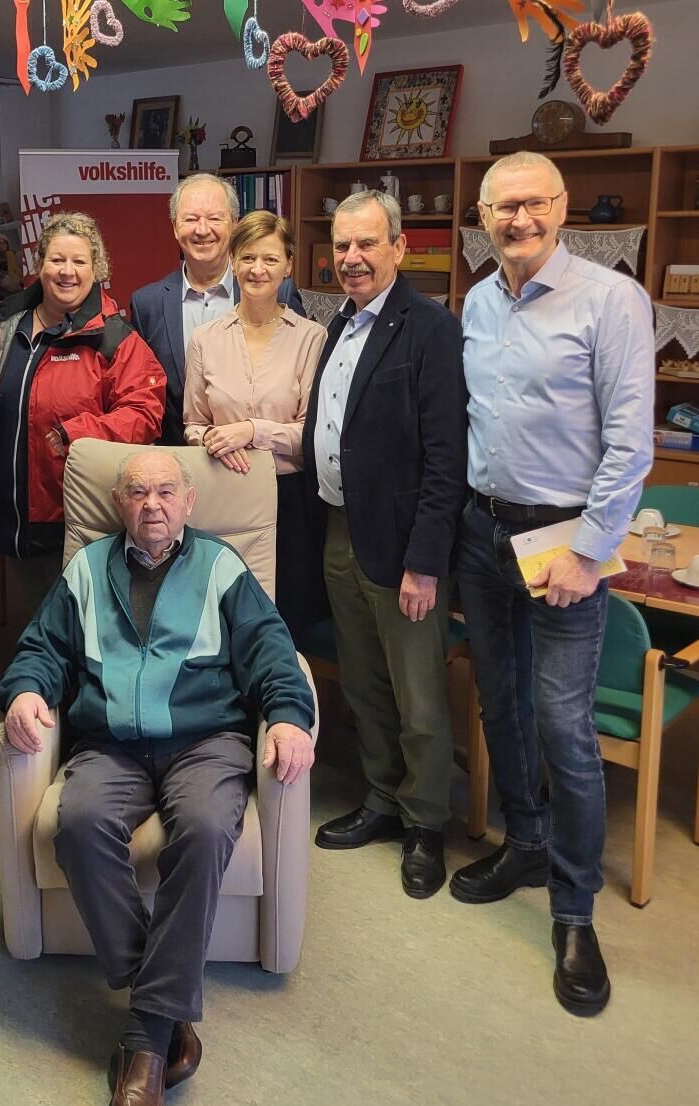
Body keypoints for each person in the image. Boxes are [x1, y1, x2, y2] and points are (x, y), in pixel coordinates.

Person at [0, 448, 315, 1106]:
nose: (152, 505)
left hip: (206, 741)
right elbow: (41, 649)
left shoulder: (222, 567)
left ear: (189, 502)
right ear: (118, 503)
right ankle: (166, 1010)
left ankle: (145, 1036)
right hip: (110, 742)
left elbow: (271, 649)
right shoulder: (86, 569)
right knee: (77, 823)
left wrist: (290, 715)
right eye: (138, 492)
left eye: (166, 492)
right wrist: (23, 690)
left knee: (204, 827)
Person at [452, 152, 654, 1016]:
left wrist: (590, 549)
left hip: (564, 541)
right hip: (483, 531)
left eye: (534, 203)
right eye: (503, 207)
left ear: (562, 208)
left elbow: (631, 441)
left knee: (565, 727)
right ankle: (526, 844)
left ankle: (575, 910)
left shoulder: (612, 300)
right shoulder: (475, 301)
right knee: (499, 704)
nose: (519, 219)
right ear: (483, 216)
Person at [304, 190, 468, 900]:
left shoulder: (431, 328)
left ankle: (425, 820)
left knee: (418, 695)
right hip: (341, 529)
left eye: (367, 243)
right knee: (365, 681)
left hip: (404, 546)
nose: (352, 258)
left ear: (399, 247)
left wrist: (425, 563)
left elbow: (447, 459)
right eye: (342, 245)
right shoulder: (337, 322)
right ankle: (382, 796)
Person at [0, 211, 164, 590]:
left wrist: (77, 433)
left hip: (74, 517)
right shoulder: (5, 325)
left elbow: (145, 414)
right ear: (39, 265)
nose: (67, 271)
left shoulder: (114, 337)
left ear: (97, 269)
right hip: (4, 513)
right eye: (57, 259)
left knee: (74, 611)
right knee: (27, 612)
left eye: (79, 261)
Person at [183, 209, 326, 642]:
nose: (257, 269)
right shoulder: (205, 338)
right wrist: (211, 441)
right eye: (247, 258)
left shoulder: (312, 337)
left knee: (285, 624)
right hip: (221, 492)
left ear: (288, 265)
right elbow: (192, 423)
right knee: (221, 619)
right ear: (232, 262)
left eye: (269, 259)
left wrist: (251, 431)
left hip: (289, 502)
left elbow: (312, 434)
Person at [131, 174, 306, 446]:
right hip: (178, 460)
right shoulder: (147, 305)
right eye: (191, 219)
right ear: (175, 227)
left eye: (215, 218)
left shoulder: (277, 292)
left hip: (267, 460)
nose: (202, 230)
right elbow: (142, 395)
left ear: (234, 224)